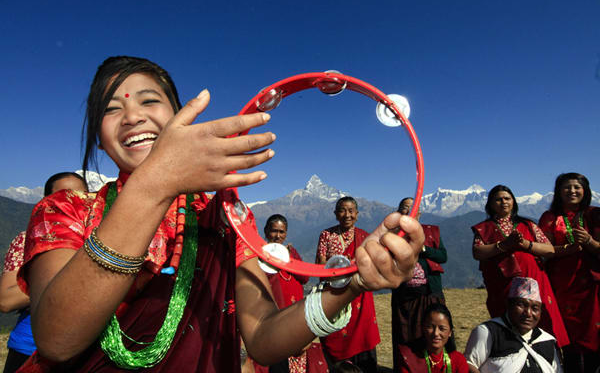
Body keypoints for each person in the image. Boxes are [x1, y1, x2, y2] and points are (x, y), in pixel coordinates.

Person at [16, 56, 425, 372]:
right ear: (99, 142)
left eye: (150, 100)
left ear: (181, 118)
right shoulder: (64, 210)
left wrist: (351, 282)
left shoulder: (222, 215)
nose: (132, 116)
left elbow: (263, 336)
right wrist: (154, 185)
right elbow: (56, 338)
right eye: (110, 109)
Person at [0, 172, 88, 373]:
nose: (73, 201)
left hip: (84, 348)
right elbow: (5, 300)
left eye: (82, 194)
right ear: (46, 201)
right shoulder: (26, 241)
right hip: (29, 349)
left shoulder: (101, 241)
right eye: (64, 195)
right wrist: (74, 277)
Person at [471, 185, 568, 348]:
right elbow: (478, 251)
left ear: (514, 202)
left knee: (541, 321)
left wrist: (526, 244)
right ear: (491, 204)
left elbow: (549, 249)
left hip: (535, 279)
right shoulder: (484, 228)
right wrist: (504, 245)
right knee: (509, 323)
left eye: (507, 198)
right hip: (503, 284)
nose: (503, 202)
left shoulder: (528, 225)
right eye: (498, 199)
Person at [538, 173, 600, 372]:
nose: (572, 191)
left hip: (592, 285)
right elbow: (542, 250)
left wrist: (589, 242)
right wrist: (565, 249)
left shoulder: (595, 214)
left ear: (585, 191)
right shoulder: (550, 218)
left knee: (594, 332)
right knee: (568, 335)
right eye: (566, 187)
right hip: (562, 285)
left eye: (577, 187)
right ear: (558, 192)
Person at [254, 214, 327, 373]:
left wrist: (289, 259)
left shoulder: (291, 252)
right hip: (273, 319)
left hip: (295, 316)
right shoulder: (260, 255)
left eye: (282, 232)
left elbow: (305, 277)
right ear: (266, 232)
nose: (278, 236)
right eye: (274, 231)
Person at [316, 197, 380, 373]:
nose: (347, 215)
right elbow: (321, 265)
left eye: (351, 211)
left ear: (357, 214)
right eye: (342, 210)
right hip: (335, 296)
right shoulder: (326, 235)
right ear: (336, 214)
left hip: (360, 296)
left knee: (363, 341)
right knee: (336, 343)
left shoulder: (365, 237)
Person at [392, 197, 448, 371]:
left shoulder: (431, 232)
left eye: (413, 208)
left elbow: (442, 257)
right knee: (405, 336)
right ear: (398, 213)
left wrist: (422, 248)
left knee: (431, 335)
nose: (409, 212)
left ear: (420, 212)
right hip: (404, 297)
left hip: (429, 294)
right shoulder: (392, 236)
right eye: (404, 209)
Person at [464, 277, 563, 373]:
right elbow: (468, 364)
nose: (528, 313)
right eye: (521, 305)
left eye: (535, 308)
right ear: (509, 304)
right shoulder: (489, 332)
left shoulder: (547, 341)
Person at [396, 303, 468, 373]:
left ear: (450, 332)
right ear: (423, 328)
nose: (436, 333)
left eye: (442, 328)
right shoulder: (409, 357)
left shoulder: (458, 360)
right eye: (430, 327)